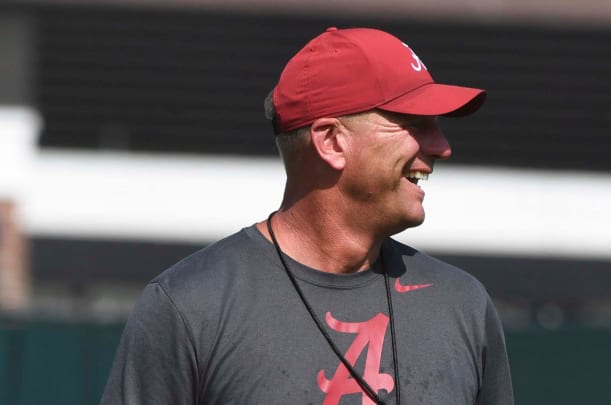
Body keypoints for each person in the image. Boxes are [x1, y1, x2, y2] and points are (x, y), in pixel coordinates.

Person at [101, 27, 514, 405]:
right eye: (416, 124)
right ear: (331, 142)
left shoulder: (462, 306)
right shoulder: (189, 307)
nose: (441, 146)